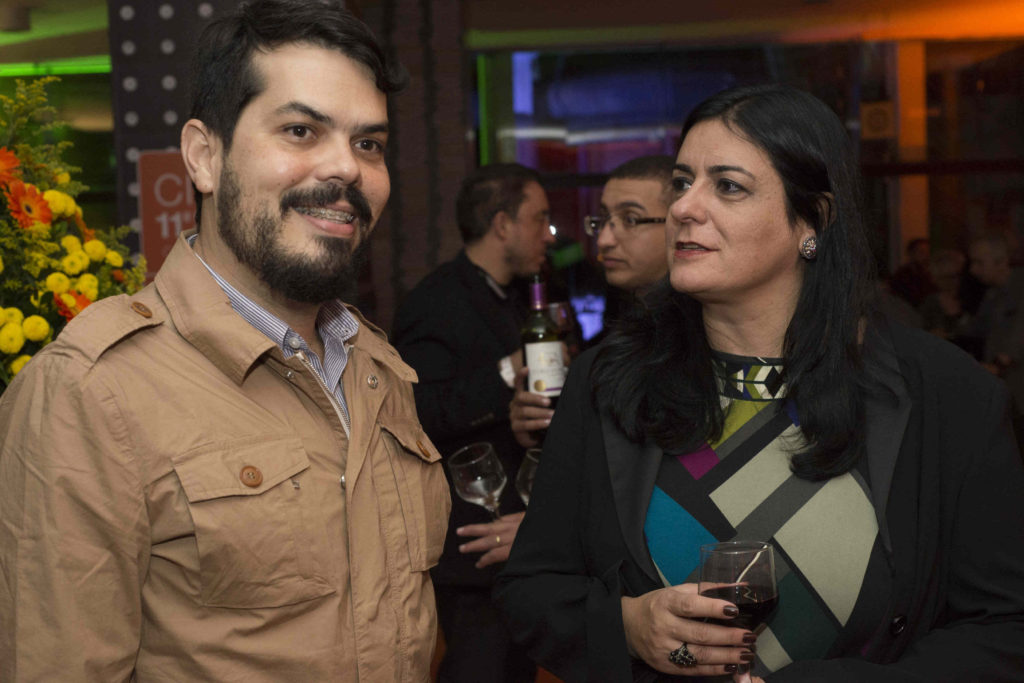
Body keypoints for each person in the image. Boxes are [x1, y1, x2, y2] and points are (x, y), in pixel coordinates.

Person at [495, 84, 1024, 682]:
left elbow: (1004, 630)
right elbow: (532, 589)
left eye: (728, 185)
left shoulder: (947, 396)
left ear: (813, 220)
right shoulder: (607, 381)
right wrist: (625, 627)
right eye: (681, 182)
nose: (684, 209)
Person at [0, 2, 451, 680]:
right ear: (204, 157)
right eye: (301, 130)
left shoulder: (376, 368)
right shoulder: (92, 391)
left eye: (369, 144)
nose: (349, 170)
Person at [392, 163, 553, 682]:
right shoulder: (437, 300)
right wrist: (506, 374)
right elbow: (413, 411)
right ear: (502, 224)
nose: (547, 234)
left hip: (513, 534)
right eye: (539, 218)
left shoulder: (510, 297)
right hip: (471, 542)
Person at [510, 155, 674, 445]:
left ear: (681, 223)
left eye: (630, 219)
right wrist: (541, 433)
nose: (604, 240)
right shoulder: (622, 336)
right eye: (604, 220)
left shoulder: (704, 335)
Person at [968, 232, 1024, 442]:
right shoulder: (993, 294)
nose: (973, 270)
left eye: (979, 263)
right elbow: (976, 329)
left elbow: (1015, 342)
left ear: (1002, 262)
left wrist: (1001, 362)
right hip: (1005, 389)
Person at [888, 237, 936, 308]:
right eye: (921, 252)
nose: (925, 256)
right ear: (911, 254)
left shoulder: (930, 273)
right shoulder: (903, 275)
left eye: (927, 252)